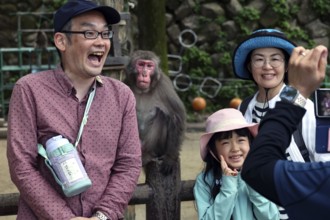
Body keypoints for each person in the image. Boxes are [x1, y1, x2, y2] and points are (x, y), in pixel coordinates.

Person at [6, 1, 142, 219]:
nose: (101, 42)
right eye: (89, 33)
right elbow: (21, 166)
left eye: (105, 34)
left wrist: (102, 216)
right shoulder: (30, 90)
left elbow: (129, 164)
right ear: (61, 41)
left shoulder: (121, 95)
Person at [232, 29, 330, 219]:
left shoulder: (308, 108)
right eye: (259, 59)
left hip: (296, 210)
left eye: (275, 59)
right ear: (249, 66)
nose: (267, 66)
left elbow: (323, 165)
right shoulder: (242, 110)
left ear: (287, 66)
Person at [193, 108, 279, 220]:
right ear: (213, 150)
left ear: (250, 143)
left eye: (241, 140)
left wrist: (253, 184)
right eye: (225, 142)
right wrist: (228, 188)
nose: (235, 148)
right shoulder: (205, 181)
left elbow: (271, 218)